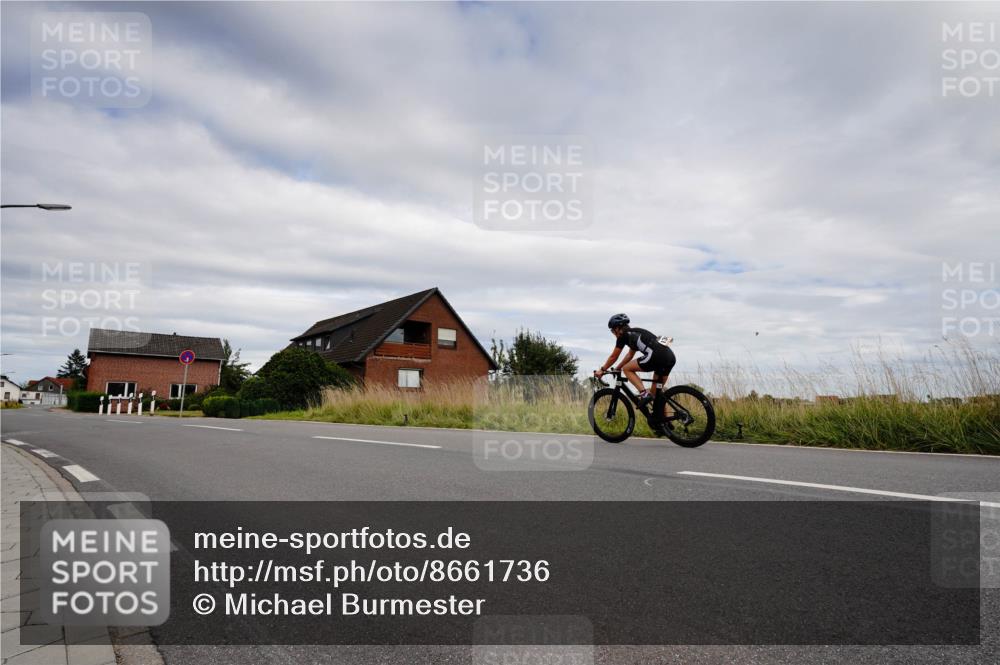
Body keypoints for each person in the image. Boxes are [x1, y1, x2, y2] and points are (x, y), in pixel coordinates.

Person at [594, 313, 675, 407]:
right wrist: (618, 368)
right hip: (670, 357)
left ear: (617, 328)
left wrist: (602, 370)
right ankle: (664, 421)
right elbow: (629, 355)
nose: (613, 333)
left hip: (656, 356)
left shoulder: (623, 336)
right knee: (655, 396)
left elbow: (613, 357)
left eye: (612, 330)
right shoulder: (635, 332)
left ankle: (644, 394)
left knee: (627, 369)